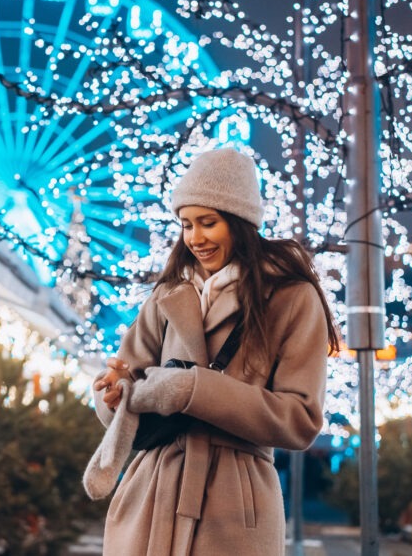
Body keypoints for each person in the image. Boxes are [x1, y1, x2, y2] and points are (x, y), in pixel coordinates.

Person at [84, 147, 340, 556]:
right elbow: (125, 377)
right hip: (151, 493)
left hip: (234, 505)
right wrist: (111, 393)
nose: (195, 238)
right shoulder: (168, 295)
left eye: (208, 223)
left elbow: (300, 419)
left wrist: (194, 390)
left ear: (240, 223)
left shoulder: (292, 297)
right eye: (186, 224)